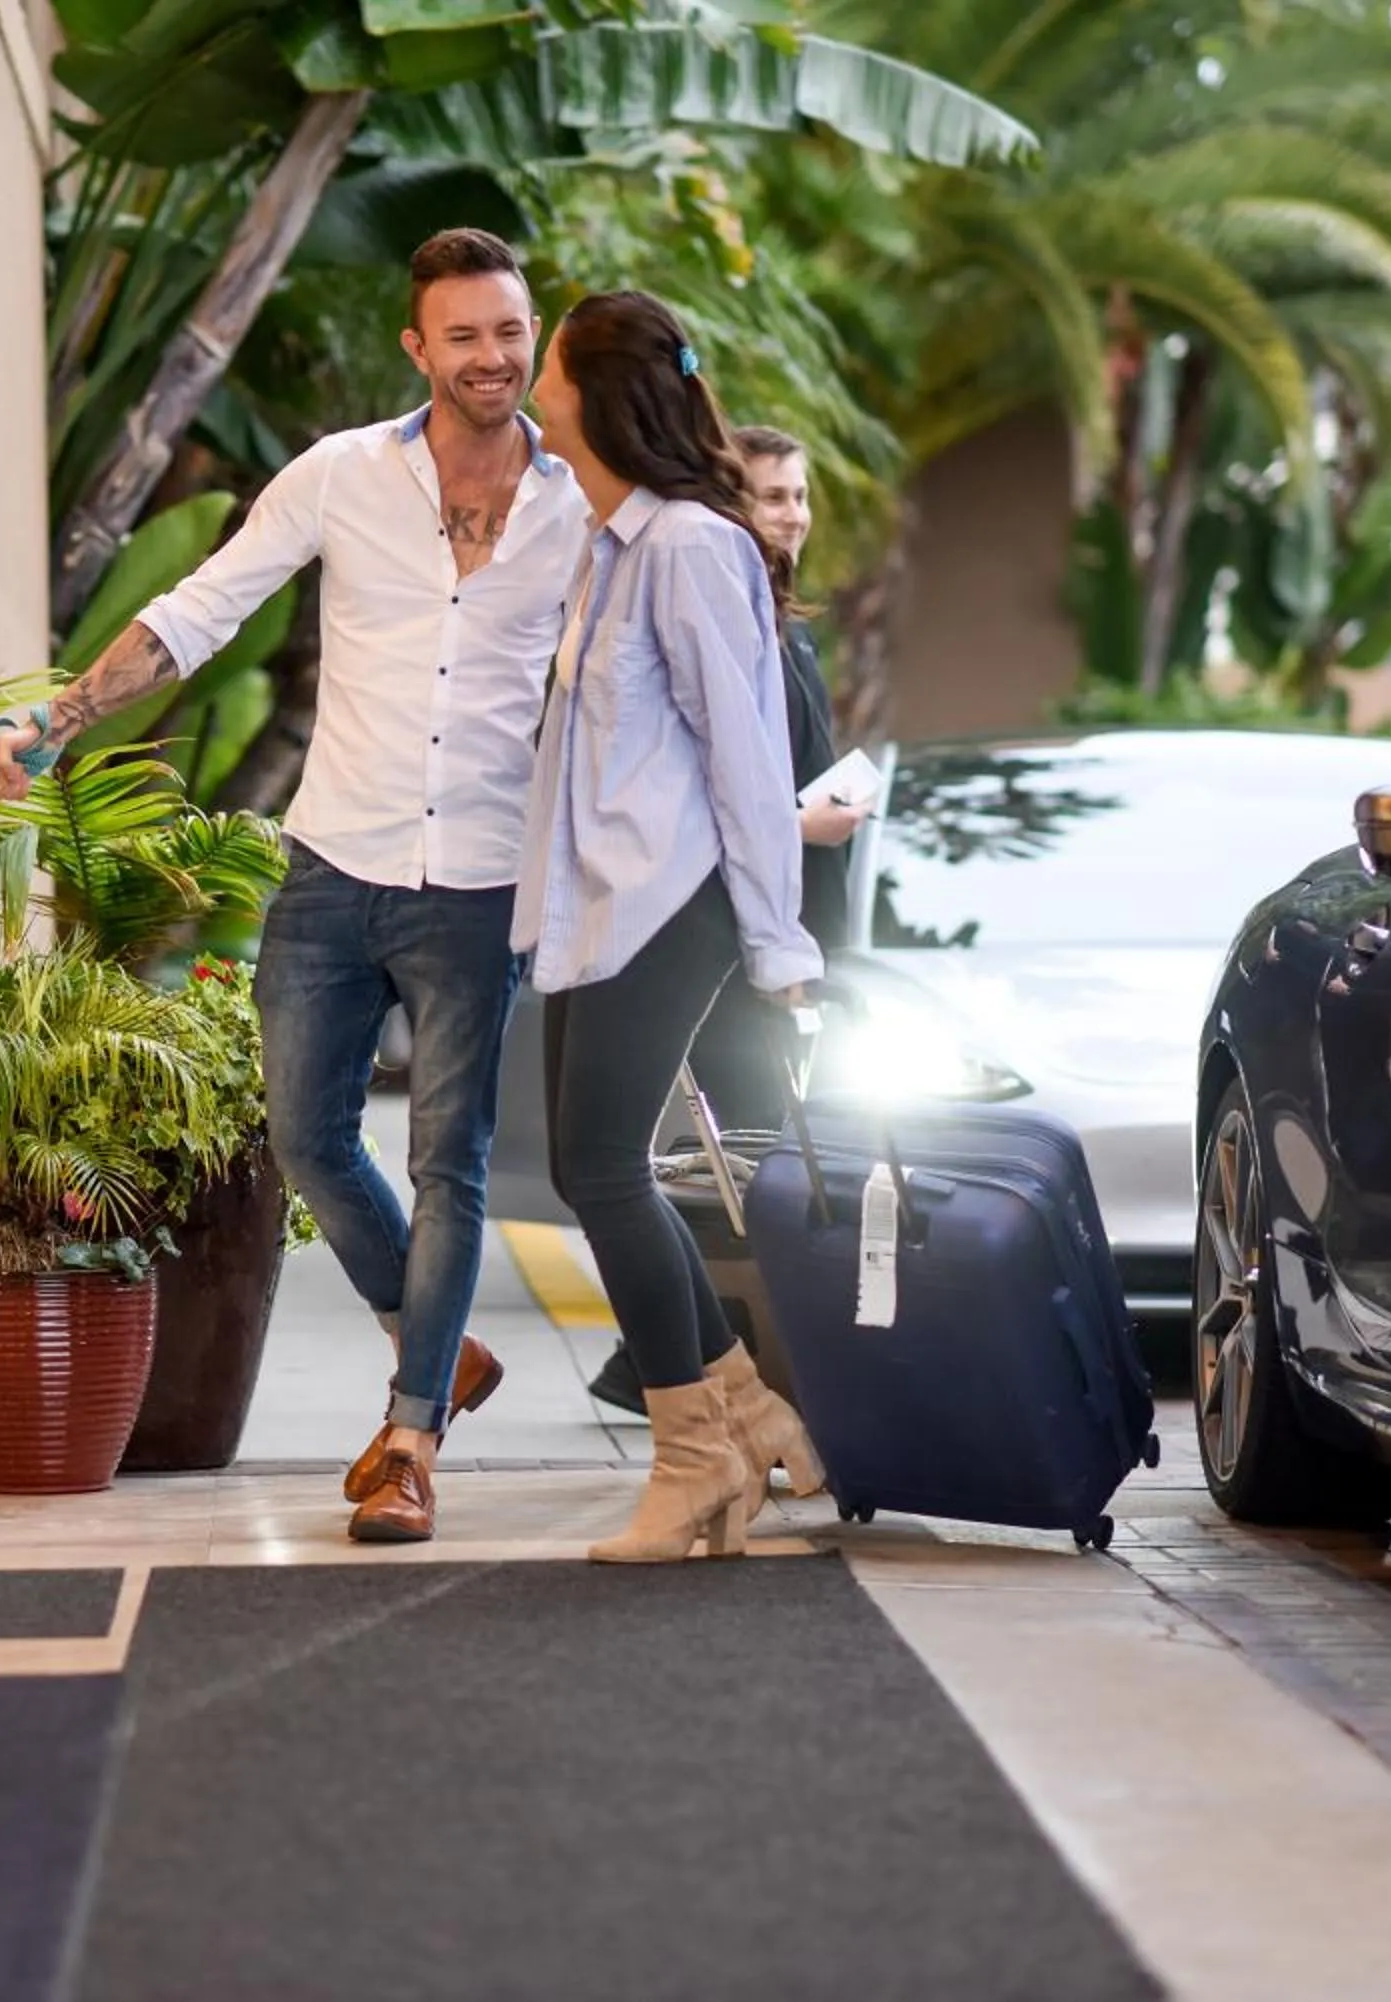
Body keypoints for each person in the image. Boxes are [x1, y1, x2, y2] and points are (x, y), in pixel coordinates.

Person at [0, 229, 588, 1545]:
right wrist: (65, 714)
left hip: (482, 882)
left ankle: (412, 1433)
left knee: (451, 1162)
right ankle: (434, 1341)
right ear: (417, 349)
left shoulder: (579, 510)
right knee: (309, 1140)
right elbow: (201, 607)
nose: (492, 356)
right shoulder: (341, 477)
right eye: (464, 335)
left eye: (509, 330)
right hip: (334, 865)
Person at [517, 291, 825, 1562]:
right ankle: (750, 1419)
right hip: (598, 902)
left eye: (546, 364)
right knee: (590, 1171)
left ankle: (700, 1459)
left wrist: (778, 945)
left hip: (672, 899)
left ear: (596, 394)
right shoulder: (607, 543)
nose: (531, 382)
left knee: (602, 1171)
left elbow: (748, 761)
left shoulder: (695, 548)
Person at [582, 424, 864, 1418]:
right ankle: (730, 1375)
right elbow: (708, 793)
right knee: (743, 1166)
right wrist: (803, 822)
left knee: (743, 1164)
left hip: (788, 930)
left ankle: (704, 1365)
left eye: (800, 494)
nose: (792, 514)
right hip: (732, 934)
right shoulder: (723, 616)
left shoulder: (789, 627)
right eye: (774, 495)